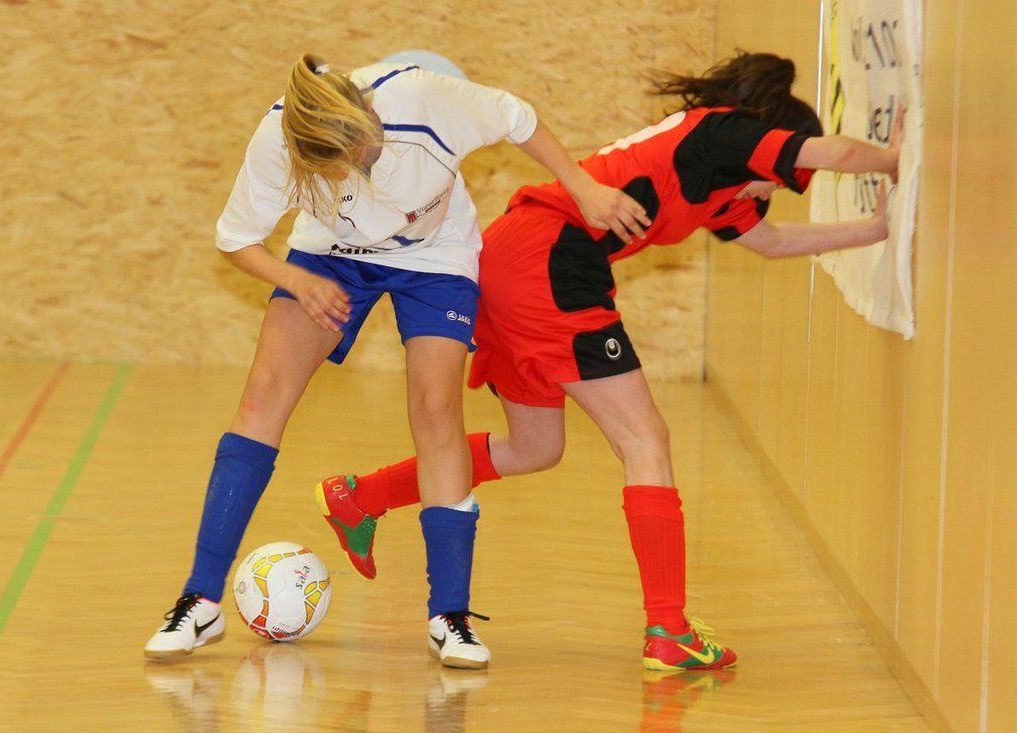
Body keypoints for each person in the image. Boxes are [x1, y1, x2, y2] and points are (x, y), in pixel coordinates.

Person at [315, 52, 903, 672]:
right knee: (645, 439)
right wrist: (899, 159)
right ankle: (668, 629)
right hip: (549, 262)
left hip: (512, 260)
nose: (773, 192)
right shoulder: (724, 131)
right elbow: (834, 153)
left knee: (534, 447)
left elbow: (773, 242)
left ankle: (360, 496)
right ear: (772, 141)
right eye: (781, 179)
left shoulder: (724, 183)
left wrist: (874, 230)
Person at [143, 53, 648, 665]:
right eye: (335, 170)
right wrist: (296, 281)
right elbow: (235, 239)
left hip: (434, 258)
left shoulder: (426, 100)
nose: (357, 173)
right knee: (262, 398)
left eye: (359, 155)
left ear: (367, 117)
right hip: (329, 256)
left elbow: (519, 118)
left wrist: (584, 188)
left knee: (436, 412)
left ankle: (450, 616)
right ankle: (199, 601)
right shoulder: (280, 136)